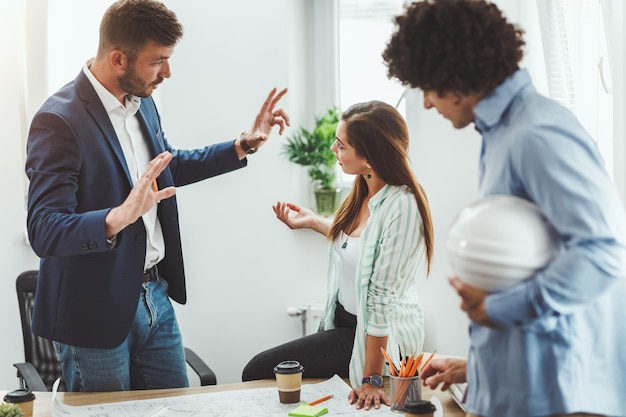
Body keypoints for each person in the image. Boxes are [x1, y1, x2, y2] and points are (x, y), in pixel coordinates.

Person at [25, 0, 289, 392]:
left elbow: (170, 166)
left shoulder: (142, 102)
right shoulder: (58, 120)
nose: (167, 72)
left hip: (154, 297)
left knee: (178, 406)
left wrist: (242, 145)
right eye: (157, 61)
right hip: (92, 310)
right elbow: (44, 230)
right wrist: (117, 216)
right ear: (119, 59)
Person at [383, 1, 626, 417]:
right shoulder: (503, 133)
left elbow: (602, 255)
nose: (425, 103)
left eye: (427, 87)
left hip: (557, 397)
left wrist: (494, 309)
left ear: (455, 76)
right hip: (525, 385)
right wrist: (477, 369)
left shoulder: (537, 133)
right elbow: (530, 260)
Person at [241, 100, 434, 411]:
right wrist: (314, 222)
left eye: (341, 145)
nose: (333, 149)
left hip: (373, 335)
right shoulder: (365, 189)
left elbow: (381, 299)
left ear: (369, 158)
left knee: (256, 371)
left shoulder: (403, 206)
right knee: (262, 374)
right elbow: (362, 243)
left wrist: (371, 380)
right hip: (345, 324)